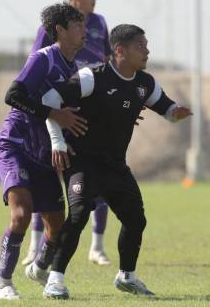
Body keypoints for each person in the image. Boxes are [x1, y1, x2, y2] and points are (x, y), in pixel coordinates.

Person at [41, 24, 192, 299]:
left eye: (146, 46)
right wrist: (58, 142)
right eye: (141, 46)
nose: (147, 51)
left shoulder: (144, 83)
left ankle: (126, 276)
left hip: (114, 165)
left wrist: (176, 112)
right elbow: (50, 101)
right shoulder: (92, 77)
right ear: (120, 50)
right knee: (77, 217)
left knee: (136, 219)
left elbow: (166, 109)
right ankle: (54, 279)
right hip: (82, 162)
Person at [0, 3, 89, 300]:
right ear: (59, 30)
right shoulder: (43, 60)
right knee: (20, 216)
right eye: (78, 26)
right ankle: (3, 284)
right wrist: (53, 114)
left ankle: (38, 268)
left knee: (58, 228)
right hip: (16, 144)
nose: (85, 31)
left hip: (44, 154)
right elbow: (14, 95)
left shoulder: (74, 68)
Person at [22, 0, 114, 267]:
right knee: (49, 175)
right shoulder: (55, 27)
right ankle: (35, 246)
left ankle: (97, 246)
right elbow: (37, 68)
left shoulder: (99, 23)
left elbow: (108, 61)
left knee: (100, 173)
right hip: (61, 107)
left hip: (93, 108)